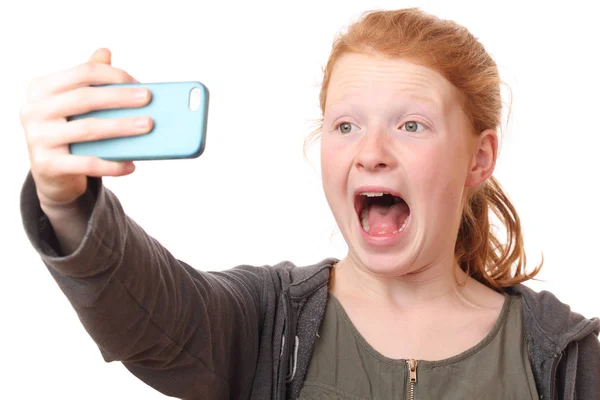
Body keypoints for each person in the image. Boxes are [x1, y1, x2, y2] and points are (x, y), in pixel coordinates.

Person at [19, 7, 599, 400]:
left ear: (479, 157)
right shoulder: (266, 323)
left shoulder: (563, 360)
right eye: (345, 124)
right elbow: (150, 314)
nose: (370, 152)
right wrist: (66, 203)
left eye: (412, 124)